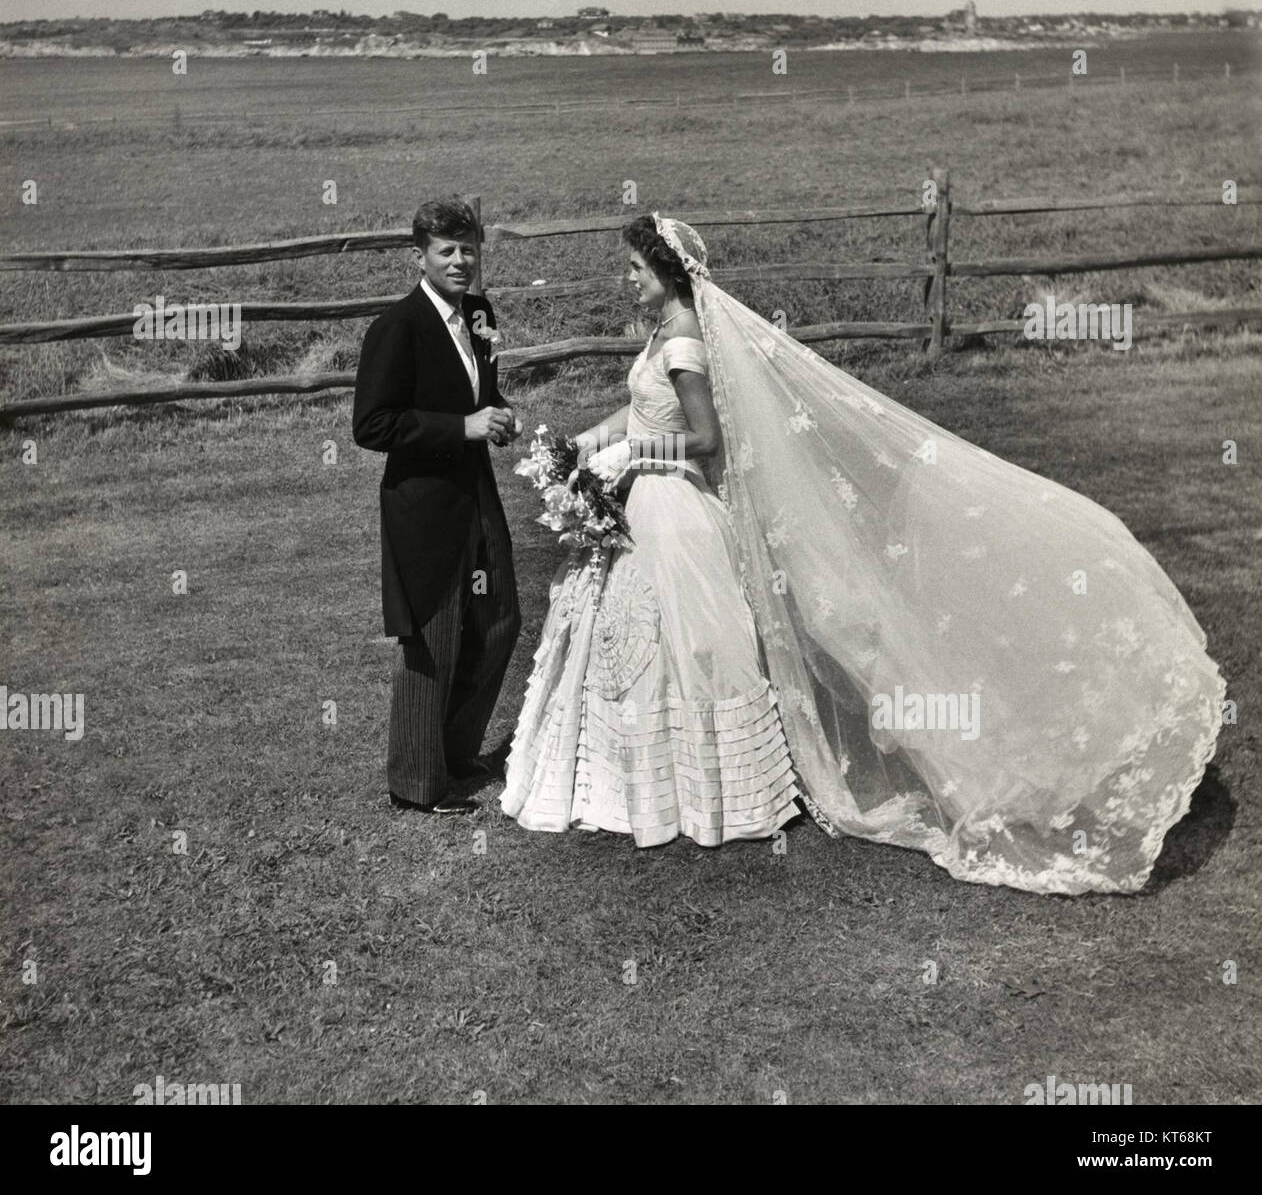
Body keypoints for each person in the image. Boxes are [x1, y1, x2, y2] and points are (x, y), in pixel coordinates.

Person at [501, 214, 1225, 893]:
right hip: (647, 501)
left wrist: (632, 453)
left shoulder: (686, 338)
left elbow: (705, 440)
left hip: (675, 506)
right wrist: (584, 445)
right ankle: (646, 784)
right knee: (643, 640)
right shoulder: (661, 332)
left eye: (636, 268)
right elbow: (639, 407)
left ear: (669, 273)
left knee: (690, 643)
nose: (627, 279)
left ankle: (712, 791)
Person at [353, 196, 521, 815]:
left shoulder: (480, 312)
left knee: (500, 620)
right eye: (446, 251)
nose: (460, 261)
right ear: (419, 256)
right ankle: (418, 785)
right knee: (435, 636)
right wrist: (462, 428)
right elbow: (371, 425)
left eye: (468, 248)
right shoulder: (397, 327)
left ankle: (454, 751)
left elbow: (485, 387)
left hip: (476, 492)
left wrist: (498, 416)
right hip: (423, 507)